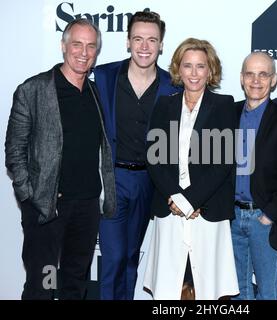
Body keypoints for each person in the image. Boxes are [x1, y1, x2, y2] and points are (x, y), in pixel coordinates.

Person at [4, 18, 116, 300]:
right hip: (47, 208)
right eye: (77, 44)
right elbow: (14, 148)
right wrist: (29, 195)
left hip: (87, 207)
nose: (83, 52)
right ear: (63, 46)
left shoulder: (95, 92)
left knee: (75, 284)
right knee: (42, 285)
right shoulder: (34, 89)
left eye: (91, 46)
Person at [93, 9, 180, 300]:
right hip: (112, 178)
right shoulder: (105, 76)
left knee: (131, 256)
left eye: (152, 40)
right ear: (128, 42)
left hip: (148, 181)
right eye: (138, 39)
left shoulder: (172, 86)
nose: (145, 46)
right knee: (113, 258)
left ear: (161, 45)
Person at [143, 38, 239, 300]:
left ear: (210, 71)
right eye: (188, 66)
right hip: (169, 208)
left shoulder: (223, 106)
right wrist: (176, 198)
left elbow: (222, 162)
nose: (194, 73)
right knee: (169, 287)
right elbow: (155, 158)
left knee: (205, 288)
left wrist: (191, 201)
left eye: (200, 66)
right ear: (178, 69)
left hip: (206, 210)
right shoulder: (164, 105)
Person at [231, 52, 277, 300]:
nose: (256, 80)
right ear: (242, 78)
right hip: (230, 218)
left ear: (274, 80)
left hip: (264, 220)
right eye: (250, 74)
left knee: (268, 292)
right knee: (237, 291)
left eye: (263, 74)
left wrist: (269, 215)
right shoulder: (227, 115)